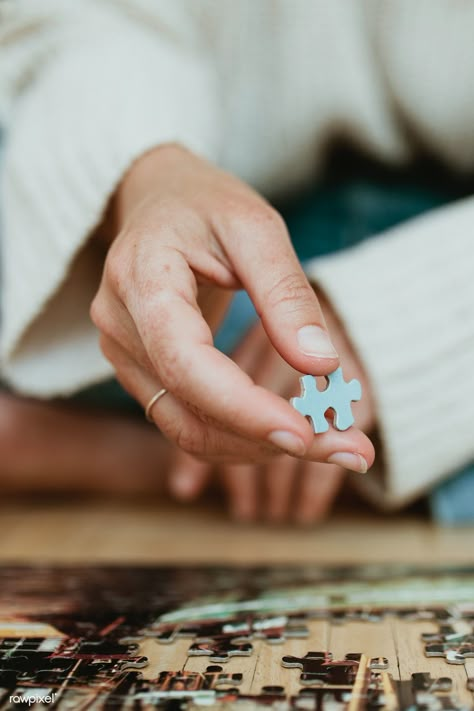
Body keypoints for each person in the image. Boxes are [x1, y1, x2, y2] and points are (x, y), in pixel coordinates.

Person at [0, 0, 473, 524]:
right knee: (114, 285)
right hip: (227, 192)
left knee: (250, 369)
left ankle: (145, 455)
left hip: (439, 227)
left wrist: (410, 319)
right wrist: (149, 175)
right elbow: (78, 19)